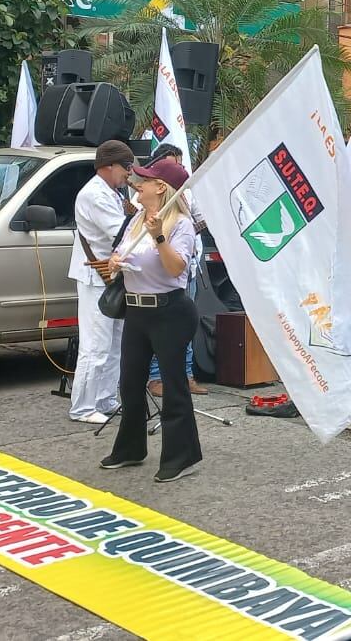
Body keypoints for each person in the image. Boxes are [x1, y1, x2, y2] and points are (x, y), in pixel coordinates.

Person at [101, 158, 202, 481]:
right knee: (130, 382)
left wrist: (159, 237)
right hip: (137, 309)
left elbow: (176, 269)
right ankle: (130, 448)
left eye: (145, 180)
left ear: (161, 188)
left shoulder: (180, 225)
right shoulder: (137, 220)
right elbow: (123, 254)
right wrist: (115, 262)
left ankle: (181, 456)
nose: (137, 184)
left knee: (173, 384)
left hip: (169, 310)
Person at [66, 141, 134, 424]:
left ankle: (105, 399)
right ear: (107, 166)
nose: (128, 173)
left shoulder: (112, 192)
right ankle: (82, 406)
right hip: (96, 277)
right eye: (125, 167)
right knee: (96, 345)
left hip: (112, 276)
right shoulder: (95, 194)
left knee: (114, 343)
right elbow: (120, 233)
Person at [140, 144, 207, 396]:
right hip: (162, 273)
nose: (177, 168)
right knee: (161, 329)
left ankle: (187, 375)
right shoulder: (148, 198)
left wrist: (190, 231)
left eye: (179, 164)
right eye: (171, 164)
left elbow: (198, 218)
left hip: (188, 268)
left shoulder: (187, 195)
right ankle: (157, 378)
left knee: (185, 325)